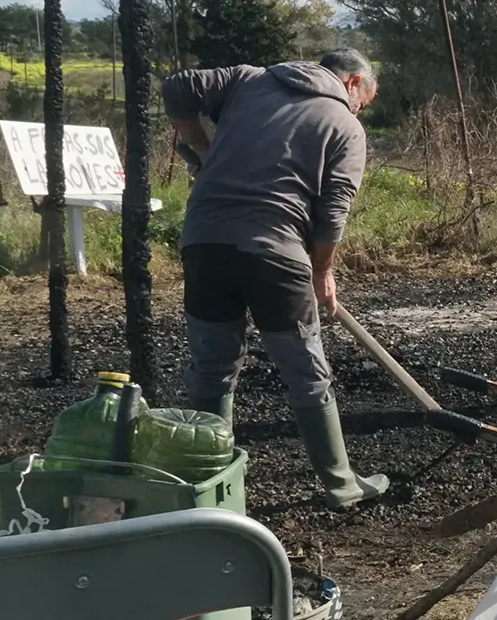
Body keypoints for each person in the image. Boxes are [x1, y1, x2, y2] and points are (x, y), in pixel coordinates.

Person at [163, 49, 388, 508]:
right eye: (363, 101)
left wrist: (201, 148)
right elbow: (333, 211)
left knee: (212, 366)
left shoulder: (248, 79)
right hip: (274, 250)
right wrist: (322, 270)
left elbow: (177, 88)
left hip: (203, 240)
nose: (358, 110)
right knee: (306, 371)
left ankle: (209, 485)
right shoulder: (345, 125)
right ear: (351, 83)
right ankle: (342, 485)